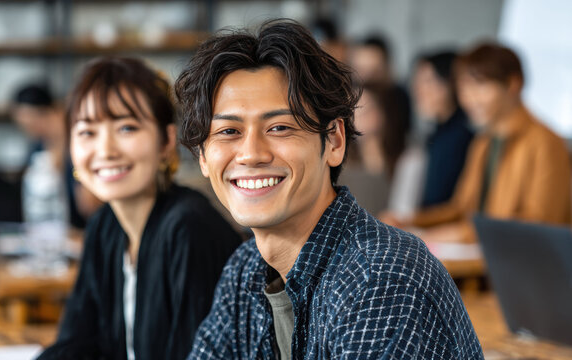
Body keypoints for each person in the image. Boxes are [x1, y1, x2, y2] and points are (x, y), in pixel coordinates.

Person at [175, 20, 483, 359]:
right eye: (228, 131)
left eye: (279, 127)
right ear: (203, 156)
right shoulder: (244, 270)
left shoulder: (381, 278)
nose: (251, 154)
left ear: (334, 140)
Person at [37, 57, 242, 360]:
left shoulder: (189, 228)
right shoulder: (104, 225)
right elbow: (76, 343)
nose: (105, 150)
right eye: (87, 132)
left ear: (166, 141)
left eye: (127, 128)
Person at [388, 43, 571, 243]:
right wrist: (409, 221)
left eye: (479, 86)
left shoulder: (546, 143)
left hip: (525, 269)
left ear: (512, 84)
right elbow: (461, 208)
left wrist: (463, 234)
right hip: (482, 262)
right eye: (464, 88)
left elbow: (539, 225)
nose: (469, 99)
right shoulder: (483, 142)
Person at [11, 84, 101, 229]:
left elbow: (88, 205)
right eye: (24, 126)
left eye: (32, 123)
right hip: (50, 228)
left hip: (82, 229)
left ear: (54, 111)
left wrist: (74, 169)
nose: (30, 131)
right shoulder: (38, 146)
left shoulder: (81, 142)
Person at [412, 50, 474, 207]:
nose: (418, 91)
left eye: (428, 81)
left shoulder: (461, 137)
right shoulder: (438, 133)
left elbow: (441, 201)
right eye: (417, 81)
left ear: (450, 84)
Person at [337, 82, 405, 215]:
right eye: (354, 110)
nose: (359, 115)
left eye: (366, 108)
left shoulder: (407, 158)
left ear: (382, 111)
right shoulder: (342, 166)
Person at [349, 34, 412, 137]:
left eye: (375, 72)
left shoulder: (401, 101)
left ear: (388, 70)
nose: (367, 80)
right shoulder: (344, 104)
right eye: (361, 70)